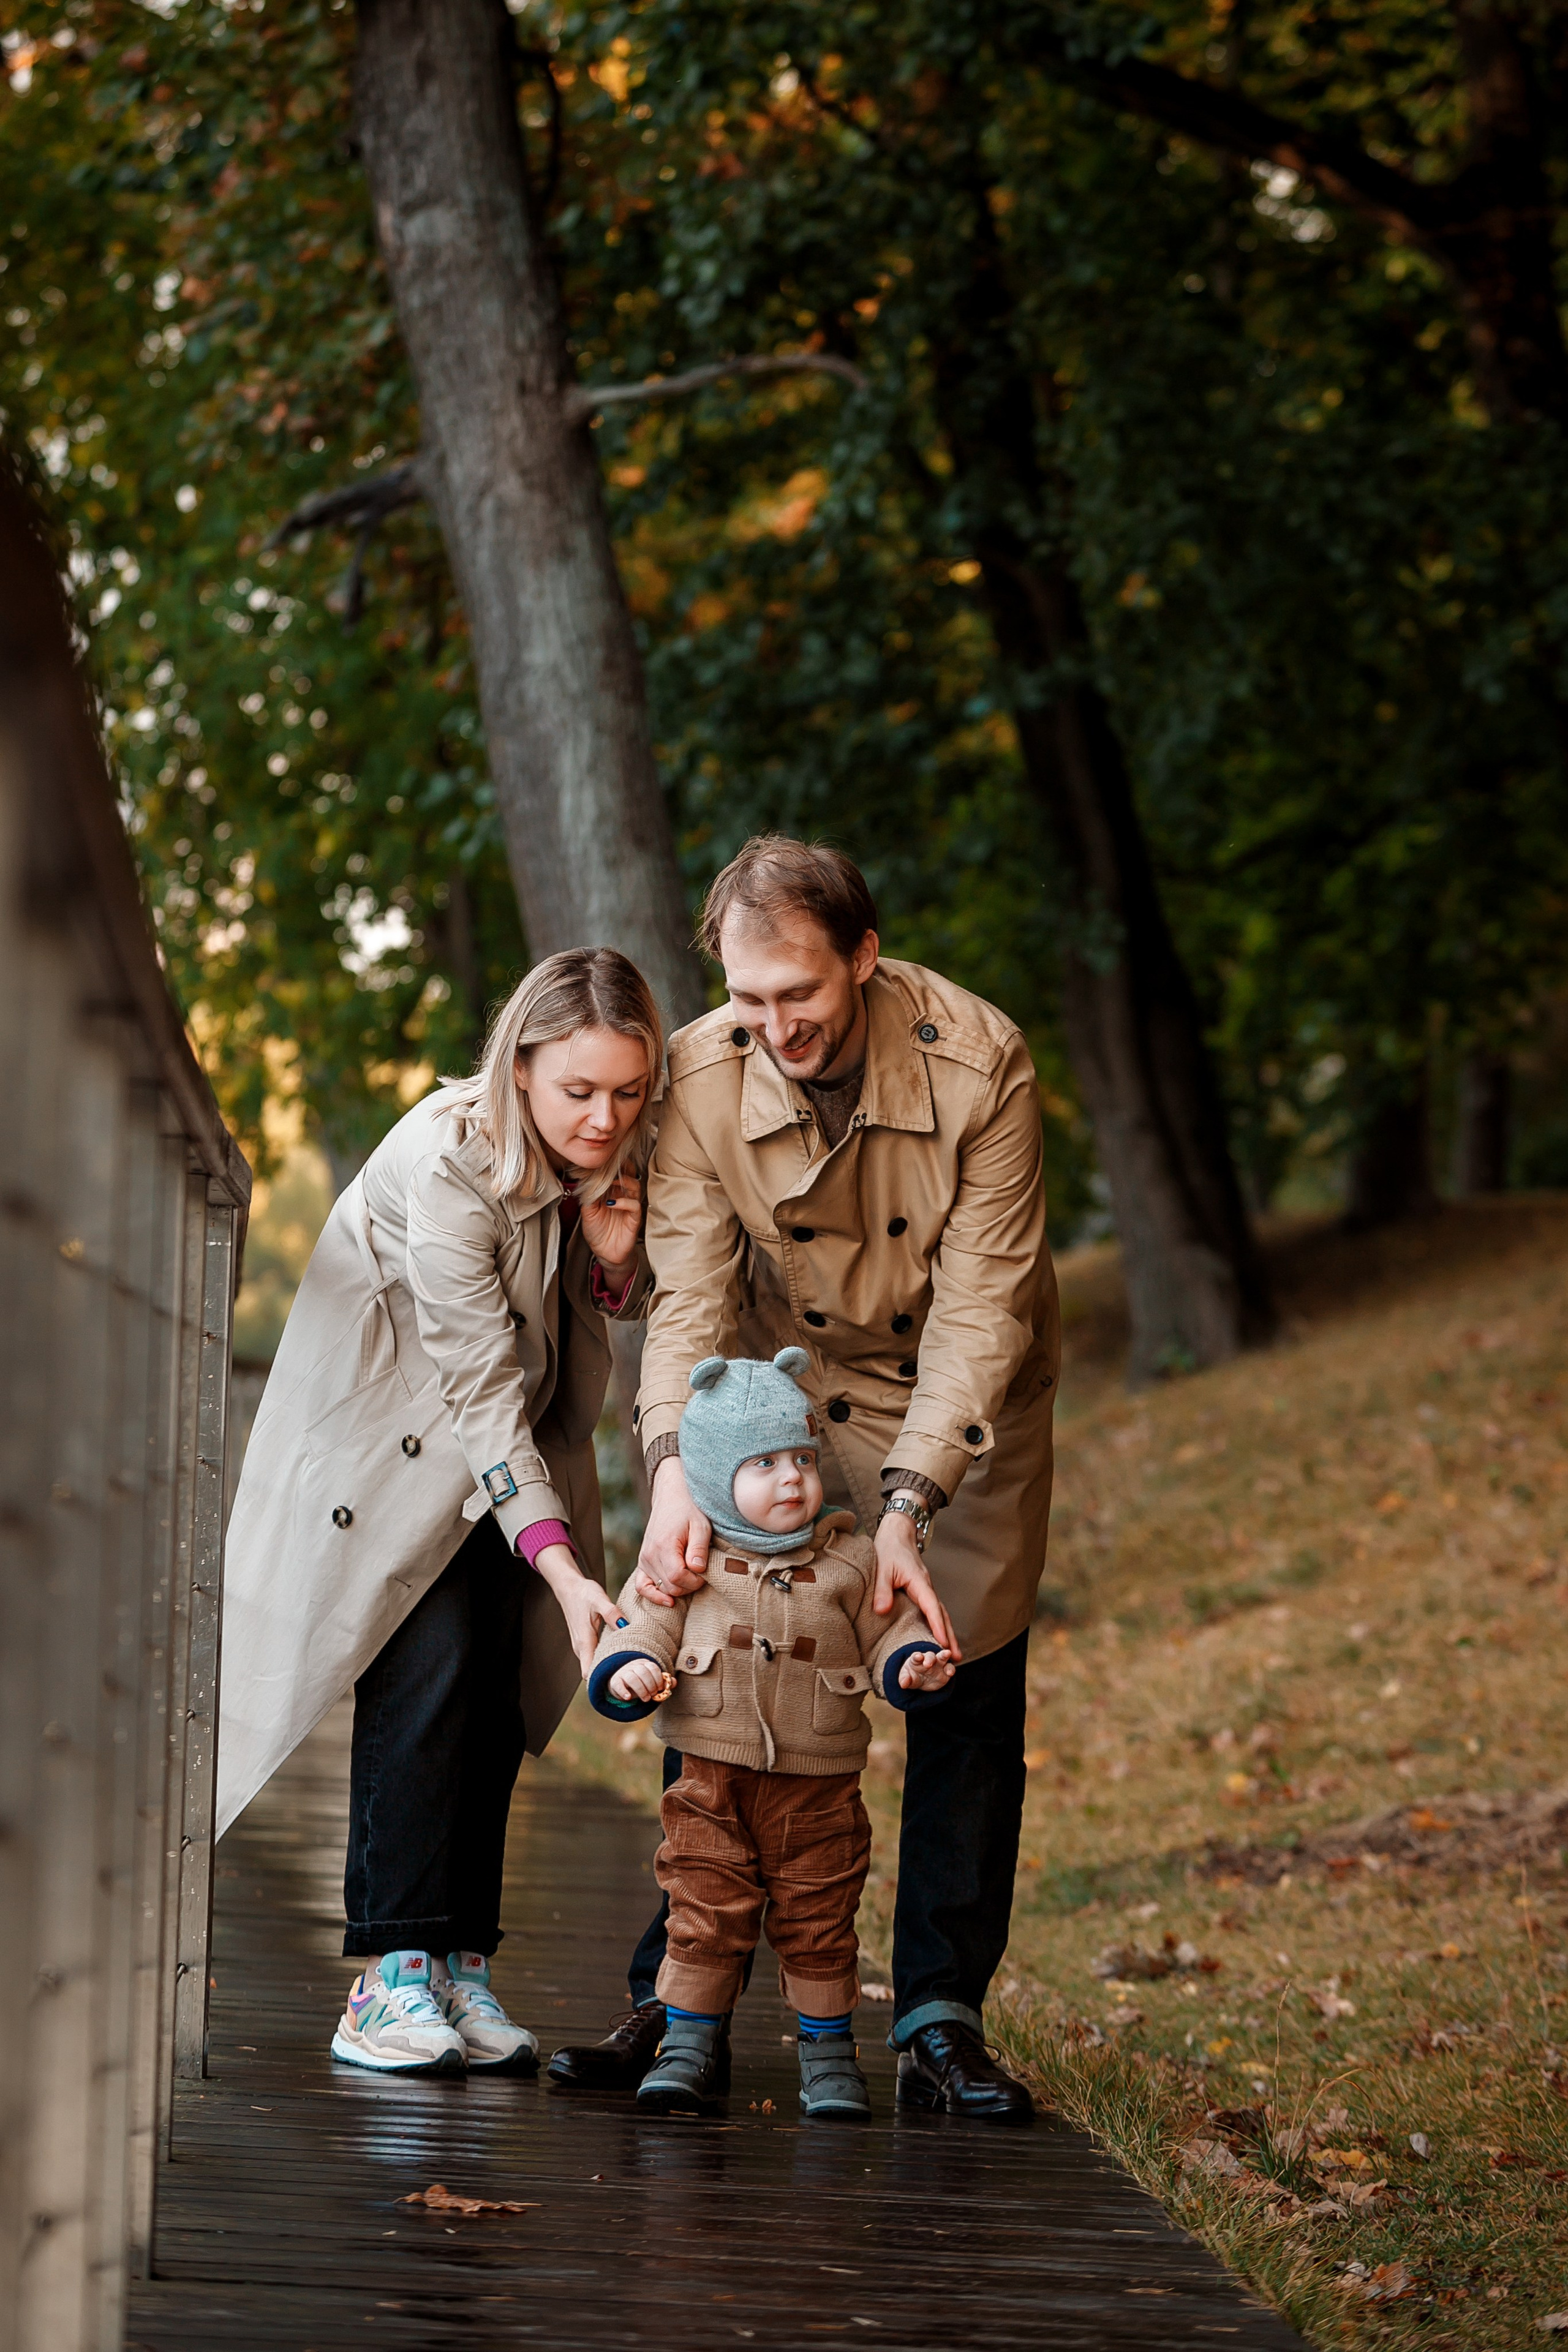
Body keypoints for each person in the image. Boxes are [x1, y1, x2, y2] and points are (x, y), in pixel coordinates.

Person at [549, 839, 1060, 2122]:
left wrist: (907, 1506)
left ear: (864, 958)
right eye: (746, 998)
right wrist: (674, 1469)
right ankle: (678, 2002)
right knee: (714, 1661)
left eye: (800, 996)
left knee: (960, 1679)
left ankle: (939, 2018)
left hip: (956, 1397)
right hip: (776, 1394)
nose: (773, 1027)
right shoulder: (702, 1076)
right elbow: (684, 1298)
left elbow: (982, 1308)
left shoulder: (981, 1061)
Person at [217, 948, 659, 2074]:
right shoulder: (450, 1159)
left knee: (497, 1688)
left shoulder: (606, 1154)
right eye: (579, 1090)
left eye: (627, 1091)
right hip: (394, 1455)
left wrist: (614, 1269)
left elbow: (591, 1314)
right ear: (521, 1067)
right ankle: (388, 1975)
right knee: (432, 1667)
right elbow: (476, 1382)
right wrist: (566, 1569)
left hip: (504, 1452)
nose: (605, 1118)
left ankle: (460, 1962)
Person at [586, 1348, 954, 2119]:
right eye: (764, 1464)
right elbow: (640, 1624)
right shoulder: (687, 1561)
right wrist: (627, 1669)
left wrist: (911, 1663)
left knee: (820, 1916)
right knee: (703, 1909)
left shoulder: (852, 1562)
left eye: (802, 1459)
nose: (792, 1478)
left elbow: (891, 1632)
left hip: (818, 1792)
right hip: (709, 1783)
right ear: (713, 1475)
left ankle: (828, 2055)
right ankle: (688, 2045)